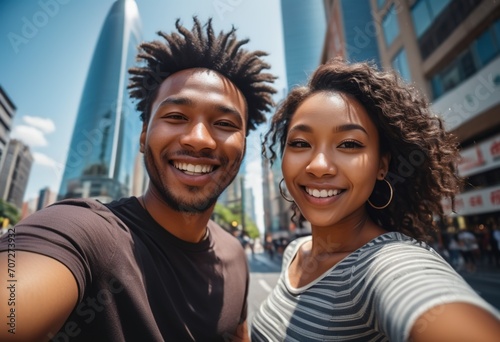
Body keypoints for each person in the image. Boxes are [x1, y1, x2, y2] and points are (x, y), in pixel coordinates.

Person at [0, 17, 276, 342]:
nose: (199, 138)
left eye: (226, 124)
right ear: (144, 136)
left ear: (244, 144)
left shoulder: (234, 253)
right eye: (176, 117)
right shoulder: (85, 233)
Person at [251, 58, 500, 341]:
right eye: (300, 143)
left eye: (349, 144)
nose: (319, 165)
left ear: (382, 166)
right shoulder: (294, 252)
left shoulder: (387, 263)